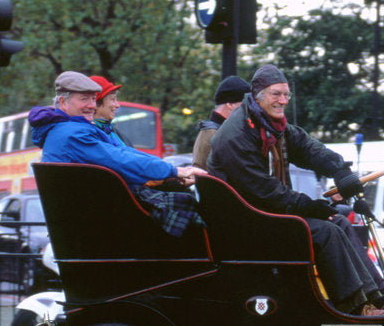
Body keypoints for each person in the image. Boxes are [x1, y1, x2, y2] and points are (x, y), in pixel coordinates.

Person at [208, 64, 384, 315]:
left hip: (265, 213)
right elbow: (263, 190)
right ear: (258, 94)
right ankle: (356, 309)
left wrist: (339, 170)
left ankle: (379, 298)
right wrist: (308, 206)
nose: (282, 100)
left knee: (339, 221)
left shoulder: (270, 124)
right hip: (245, 224)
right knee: (327, 232)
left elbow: (306, 147)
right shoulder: (236, 135)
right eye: (276, 94)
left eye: (286, 94)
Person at [30, 71, 205, 237]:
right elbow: (119, 160)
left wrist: (171, 170)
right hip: (96, 220)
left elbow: (123, 152)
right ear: (62, 102)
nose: (92, 105)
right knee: (189, 205)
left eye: (93, 99)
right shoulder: (72, 134)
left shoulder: (70, 129)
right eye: (84, 99)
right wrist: (174, 172)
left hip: (91, 214)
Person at [193, 76, 251, 169]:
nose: (248, 110)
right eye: (244, 105)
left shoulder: (218, 131)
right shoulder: (213, 133)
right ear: (230, 105)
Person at [88, 74, 132, 148]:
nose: (117, 105)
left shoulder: (111, 131)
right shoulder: (90, 135)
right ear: (95, 104)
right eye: (112, 99)